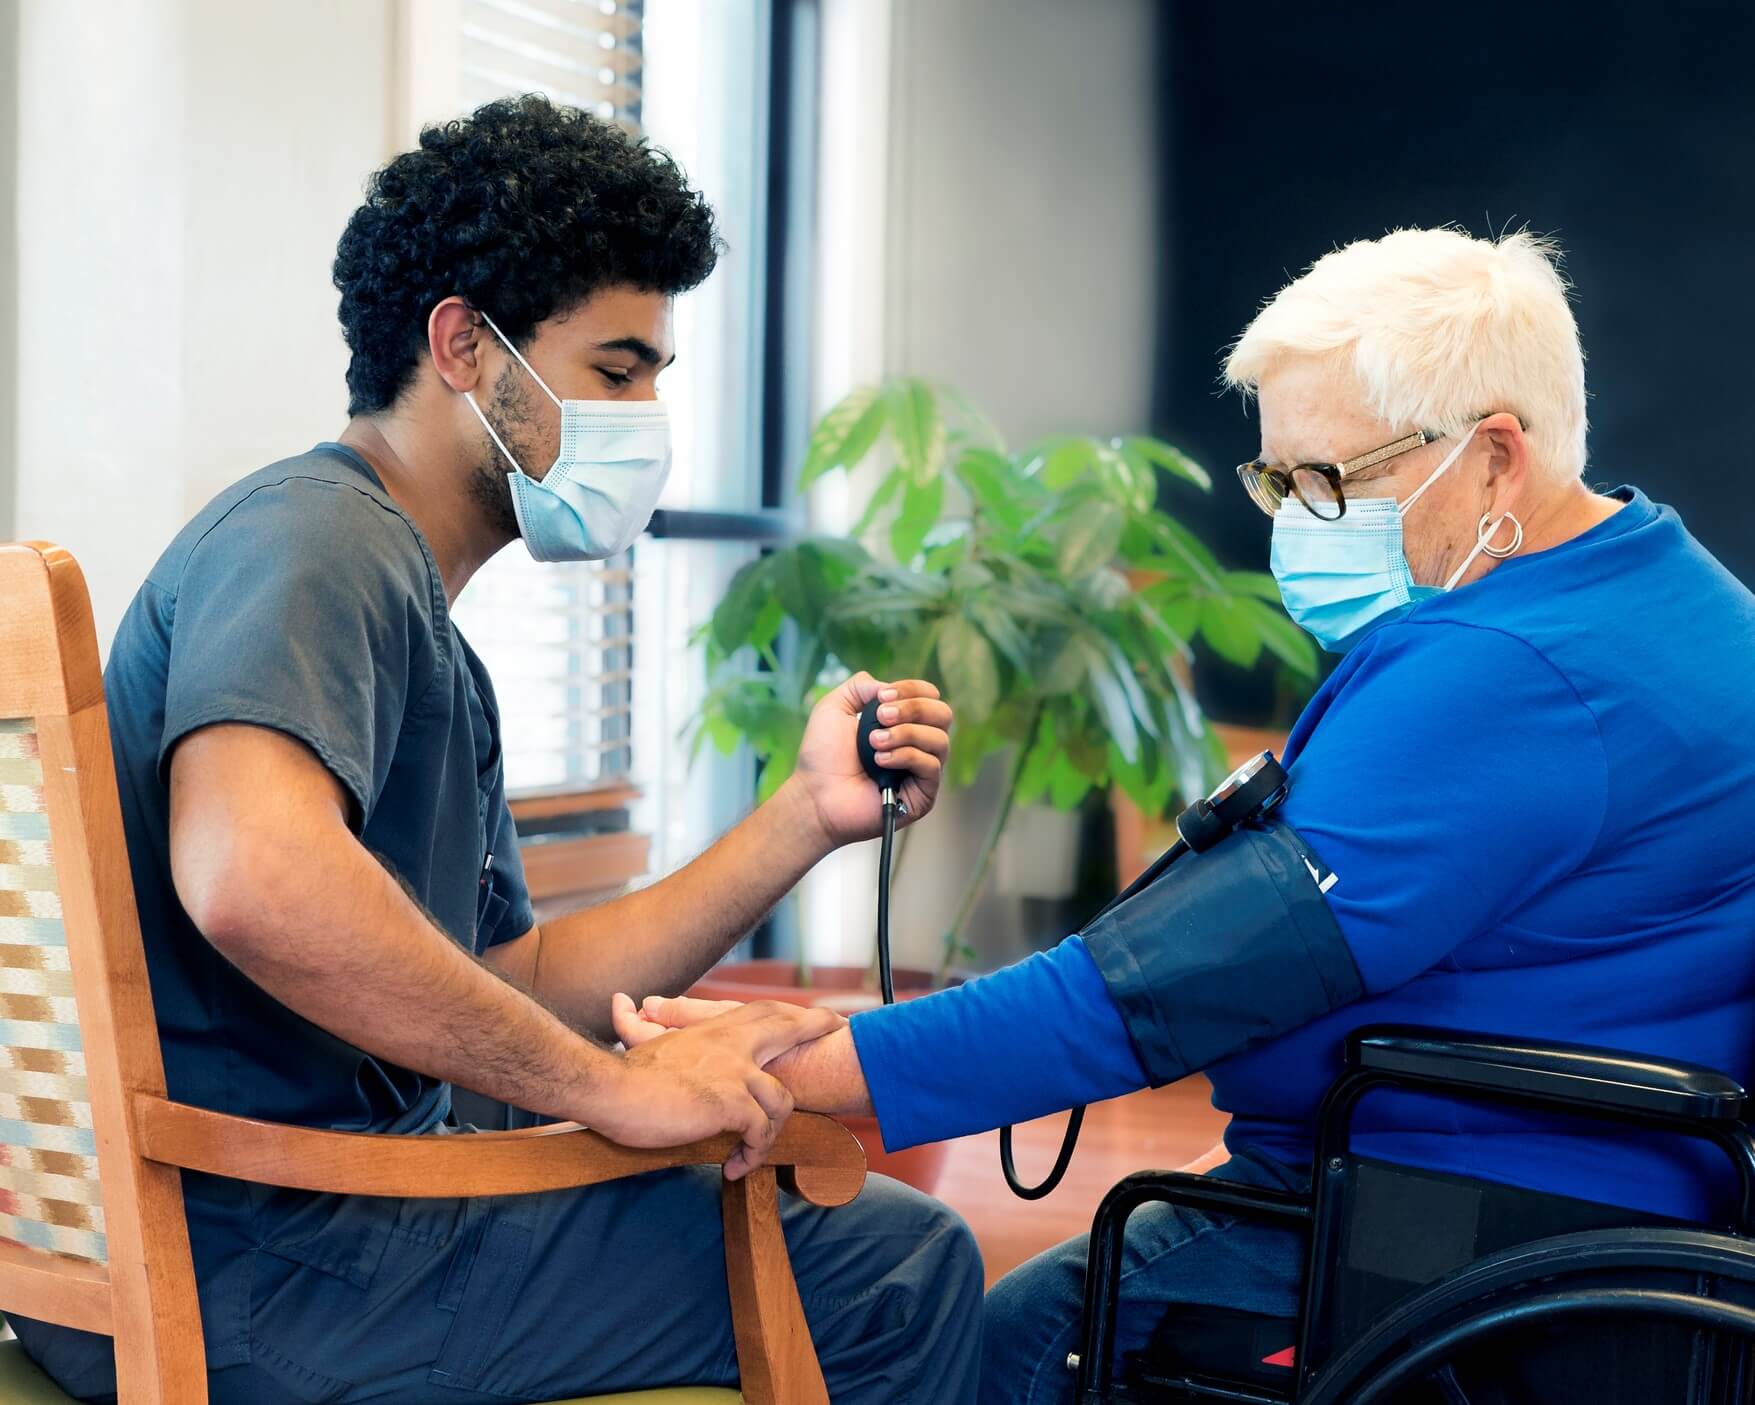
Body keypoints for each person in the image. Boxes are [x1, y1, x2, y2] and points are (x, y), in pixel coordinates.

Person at [621, 227, 1755, 1404]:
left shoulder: (1516, 672)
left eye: (1329, 482)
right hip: (1560, 1218)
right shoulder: (1662, 592)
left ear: (1494, 458)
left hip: (1447, 1248)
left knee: (993, 1345)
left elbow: (1162, 990)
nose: (1296, 523)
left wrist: (788, 1068)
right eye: (1278, 480)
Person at [11, 96, 982, 1404]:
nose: (645, 415)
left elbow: (505, 980)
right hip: (275, 1262)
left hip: (256, 1253)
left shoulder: (409, 616)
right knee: (892, 1264)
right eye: (618, 368)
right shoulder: (317, 539)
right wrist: (611, 1089)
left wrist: (802, 814)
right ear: (465, 348)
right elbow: (250, 873)